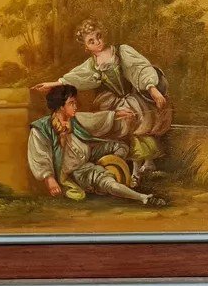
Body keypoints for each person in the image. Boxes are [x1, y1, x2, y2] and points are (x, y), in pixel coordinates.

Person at [32, 19, 172, 184]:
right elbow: (76, 78)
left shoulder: (121, 52)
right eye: (91, 41)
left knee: (135, 124)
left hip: (135, 98)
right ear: (86, 47)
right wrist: (52, 84)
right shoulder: (92, 65)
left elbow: (139, 69)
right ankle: (132, 169)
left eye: (98, 37)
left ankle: (145, 164)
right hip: (114, 102)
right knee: (117, 125)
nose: (97, 42)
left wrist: (152, 89)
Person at [28, 85, 168, 207]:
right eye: (71, 103)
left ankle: (110, 169)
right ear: (60, 107)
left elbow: (96, 119)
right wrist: (50, 180)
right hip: (76, 169)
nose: (75, 106)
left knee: (121, 147)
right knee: (107, 182)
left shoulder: (74, 119)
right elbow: (40, 155)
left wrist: (117, 115)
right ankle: (143, 198)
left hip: (89, 153)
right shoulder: (41, 128)